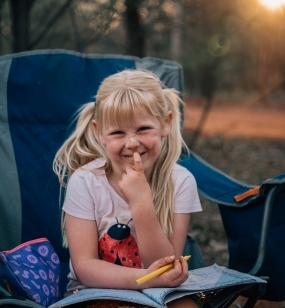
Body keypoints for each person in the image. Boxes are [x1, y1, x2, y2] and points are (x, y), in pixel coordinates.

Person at [53, 70, 204, 308]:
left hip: (160, 293)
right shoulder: (85, 181)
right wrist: (143, 281)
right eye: (118, 132)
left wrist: (141, 201)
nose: (132, 142)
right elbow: (85, 267)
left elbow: (164, 266)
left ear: (166, 123)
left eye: (143, 129)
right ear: (99, 132)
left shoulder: (181, 182)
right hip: (94, 291)